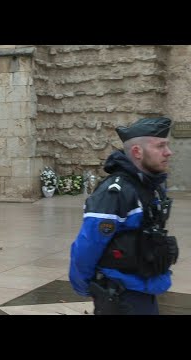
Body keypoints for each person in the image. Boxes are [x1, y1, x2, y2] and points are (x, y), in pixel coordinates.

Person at [69, 117, 179, 315]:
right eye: (160, 146)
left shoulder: (150, 187)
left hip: (145, 289)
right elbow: (88, 245)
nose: (168, 152)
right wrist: (84, 287)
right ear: (137, 152)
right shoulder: (116, 192)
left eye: (167, 145)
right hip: (121, 296)